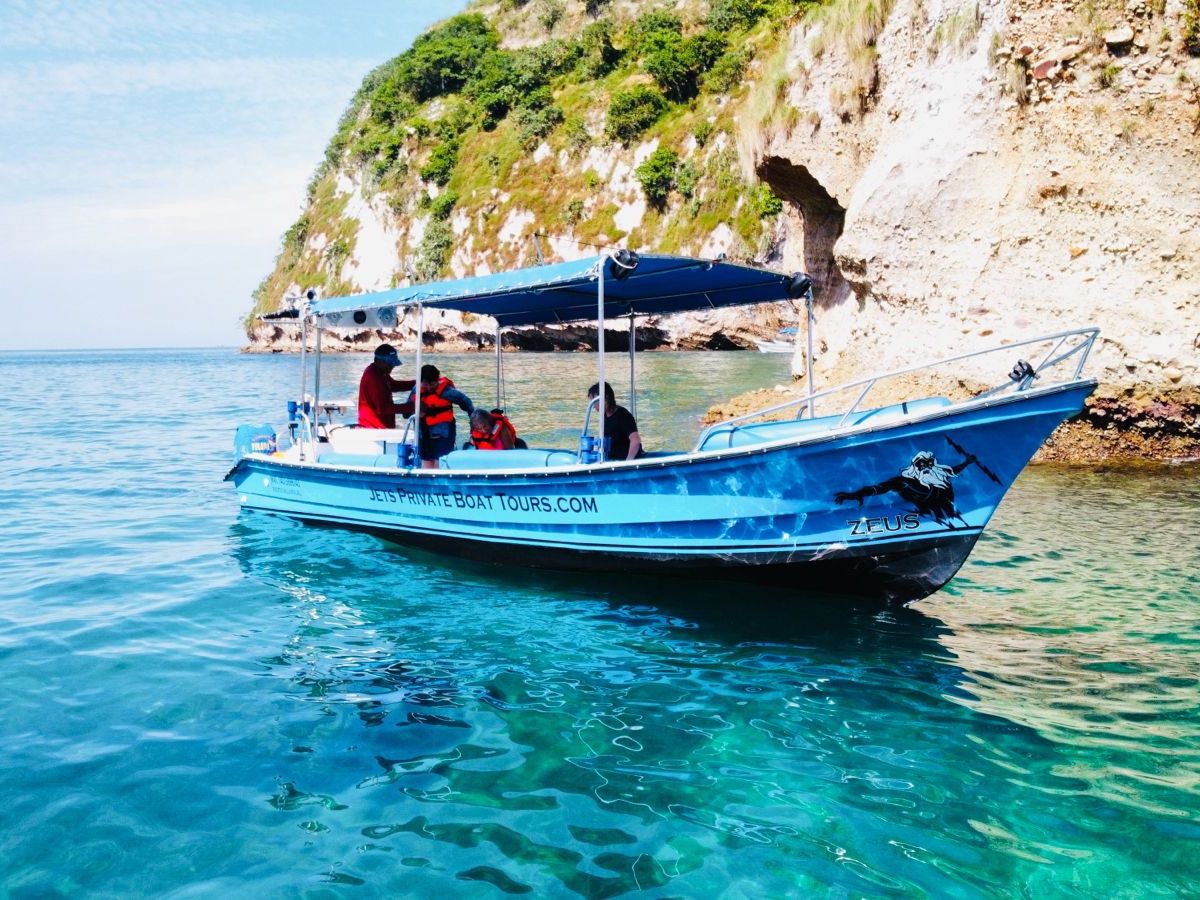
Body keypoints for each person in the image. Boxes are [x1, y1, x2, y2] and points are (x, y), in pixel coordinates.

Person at [415, 364, 474, 468]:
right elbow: (406, 412)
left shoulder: (447, 391)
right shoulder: (416, 390)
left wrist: (473, 422)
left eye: (432, 384)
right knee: (426, 461)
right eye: (425, 384)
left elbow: (467, 402)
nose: (428, 387)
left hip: (444, 433)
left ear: (437, 381)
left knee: (441, 460)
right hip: (424, 433)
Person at [358, 344, 414, 429]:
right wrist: (412, 407)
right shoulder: (373, 377)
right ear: (379, 361)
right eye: (390, 364)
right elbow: (383, 408)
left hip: (381, 426)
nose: (392, 366)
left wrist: (416, 383)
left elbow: (393, 385)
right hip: (374, 428)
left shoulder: (380, 372)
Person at [587, 382, 644, 461]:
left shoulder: (623, 415)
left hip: (625, 459)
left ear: (606, 399)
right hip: (612, 459)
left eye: (595, 402)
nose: (594, 407)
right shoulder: (604, 416)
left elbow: (635, 440)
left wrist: (628, 462)